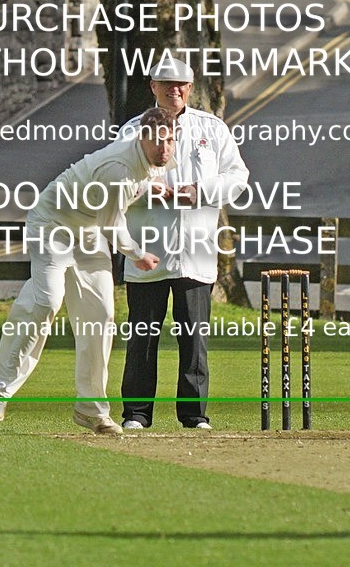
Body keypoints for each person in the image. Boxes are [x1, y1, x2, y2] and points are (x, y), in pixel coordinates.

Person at [0, 107, 177, 434]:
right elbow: (113, 227)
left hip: (87, 234)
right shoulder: (118, 169)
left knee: (101, 316)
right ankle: (0, 391)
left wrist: (149, 187)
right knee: (46, 303)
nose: (165, 148)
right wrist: (138, 254)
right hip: (52, 225)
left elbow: (137, 185)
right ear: (142, 138)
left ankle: (91, 409)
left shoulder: (154, 158)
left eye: (170, 140)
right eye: (158, 141)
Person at [121, 57, 249, 430]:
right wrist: (148, 189)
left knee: (193, 338)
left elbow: (237, 176)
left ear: (190, 88)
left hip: (196, 252)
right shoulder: (132, 130)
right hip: (148, 250)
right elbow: (115, 179)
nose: (173, 90)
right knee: (143, 337)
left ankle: (194, 416)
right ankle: (136, 414)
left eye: (180, 84)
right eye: (166, 83)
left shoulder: (213, 129)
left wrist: (197, 191)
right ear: (153, 86)